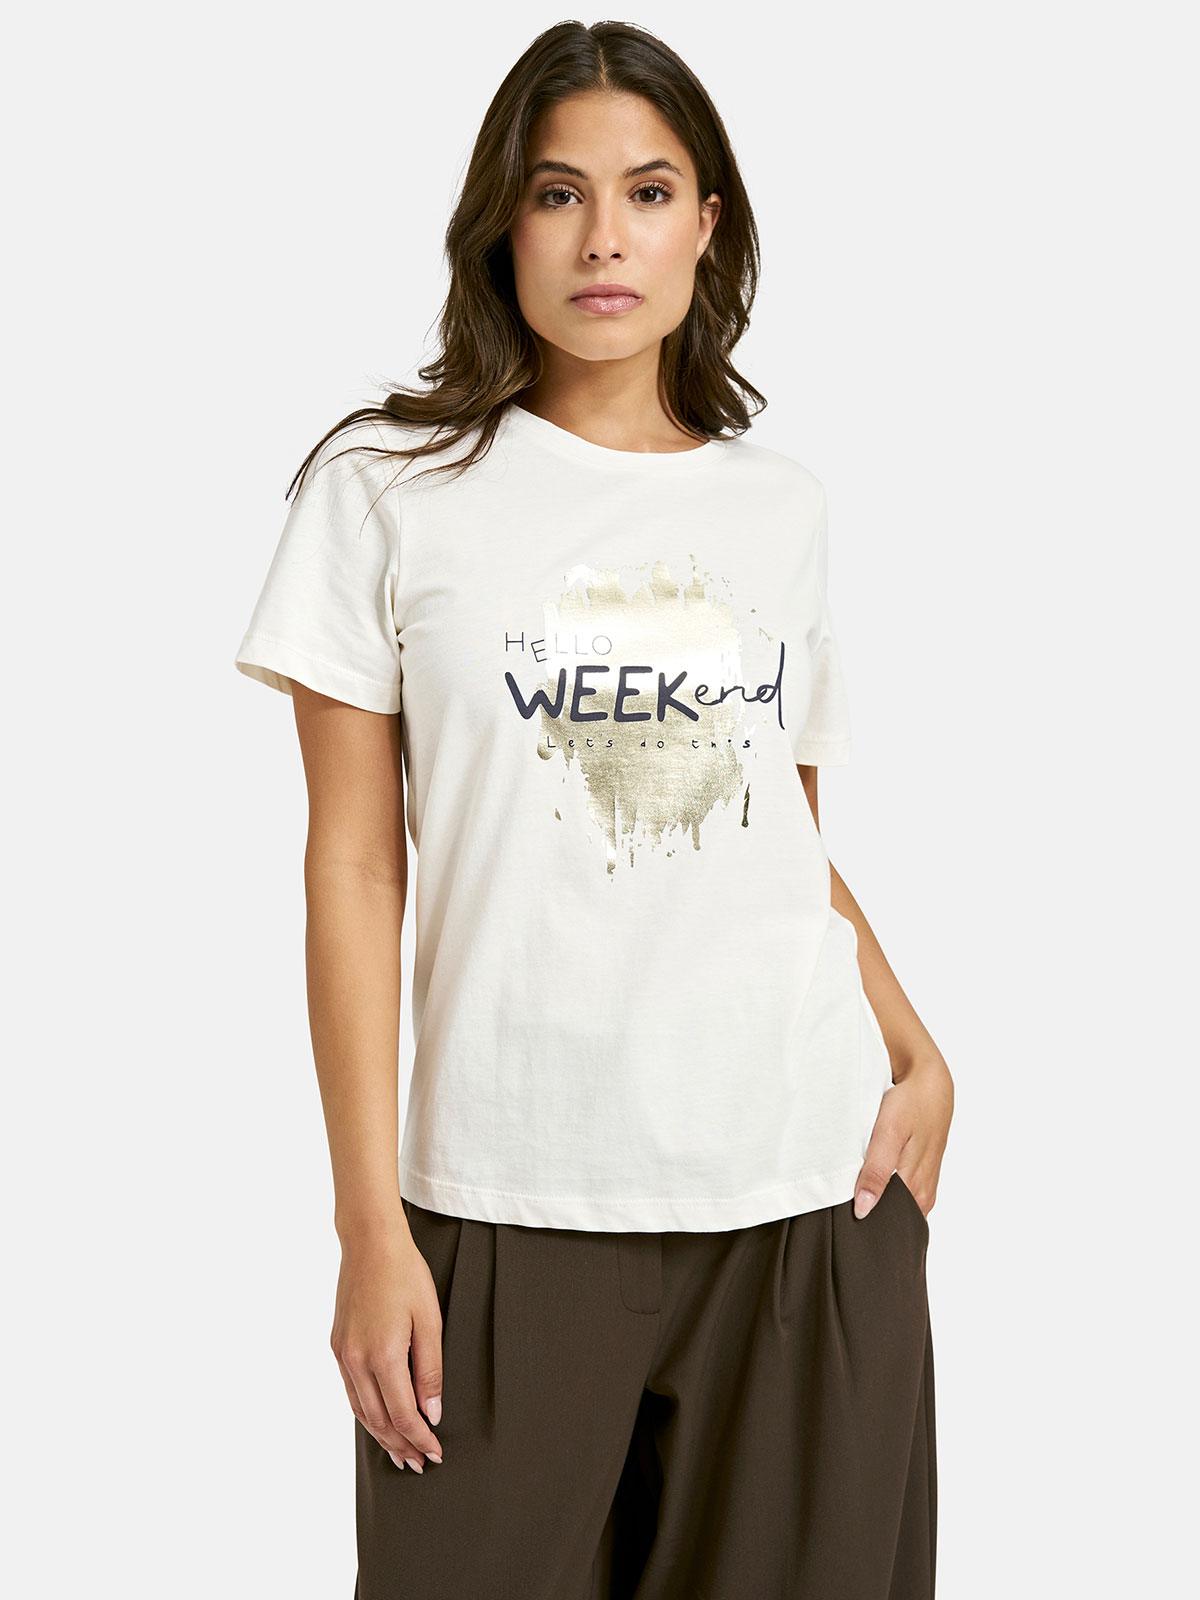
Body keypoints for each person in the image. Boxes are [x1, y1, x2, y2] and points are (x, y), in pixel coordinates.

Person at [233, 19, 954, 1599]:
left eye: (649, 190)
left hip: (804, 1196)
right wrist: (369, 1227)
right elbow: (352, 866)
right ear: (504, 223)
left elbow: (781, 836)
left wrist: (916, 1045)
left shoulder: (780, 508)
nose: (604, 236)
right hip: (503, 1201)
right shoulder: (389, 486)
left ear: (709, 225)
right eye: (559, 193)